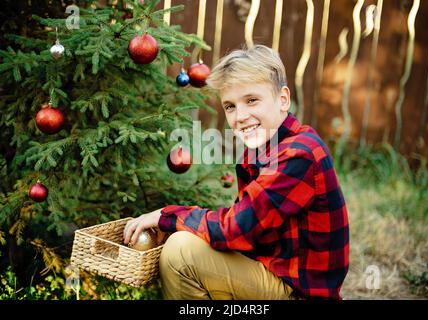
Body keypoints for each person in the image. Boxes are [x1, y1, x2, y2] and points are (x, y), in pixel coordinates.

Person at [123, 44, 349, 300]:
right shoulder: (262, 150)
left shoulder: (298, 154)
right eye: (230, 106)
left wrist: (167, 216)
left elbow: (236, 229)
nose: (240, 116)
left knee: (181, 252)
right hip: (274, 271)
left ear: (283, 99)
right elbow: (248, 232)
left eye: (252, 100)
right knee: (190, 239)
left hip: (298, 292)